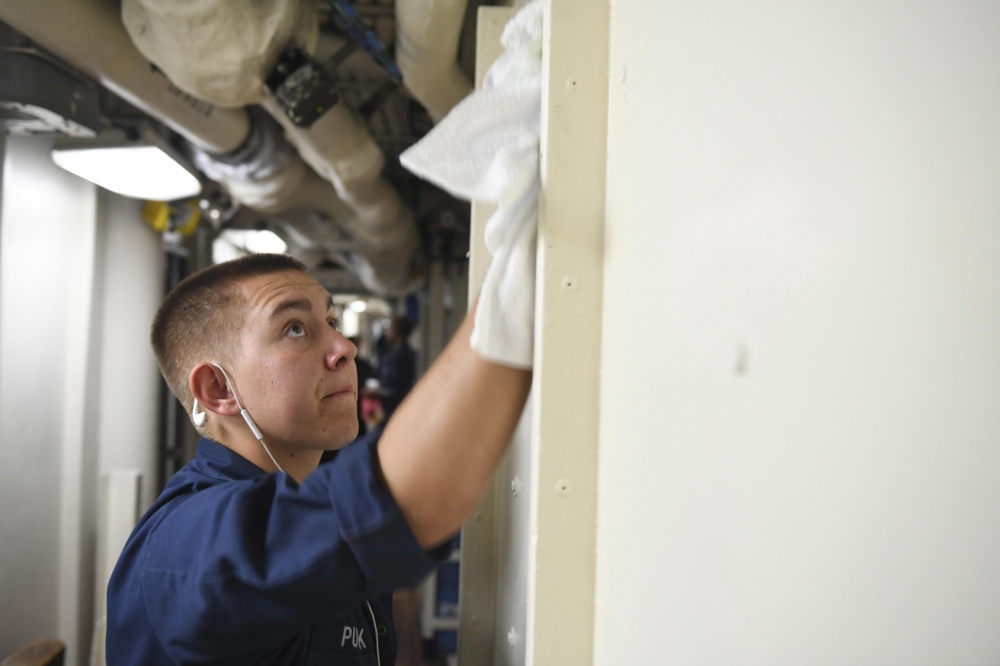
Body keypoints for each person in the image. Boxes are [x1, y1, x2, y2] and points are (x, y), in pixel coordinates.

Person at [106, 253, 531, 664]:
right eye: (294, 329)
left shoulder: (300, 493)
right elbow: (411, 502)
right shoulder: (186, 543)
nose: (344, 347)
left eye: (331, 322)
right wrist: (516, 281)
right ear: (218, 389)